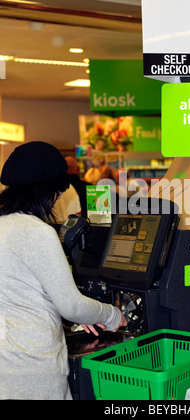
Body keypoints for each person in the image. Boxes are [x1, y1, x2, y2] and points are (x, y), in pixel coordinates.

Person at [0, 141, 126, 400]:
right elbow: (71, 305)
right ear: (47, 191)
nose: (57, 199)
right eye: (57, 192)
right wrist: (114, 316)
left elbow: (20, 291)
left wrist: (82, 316)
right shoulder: (36, 232)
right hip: (31, 366)